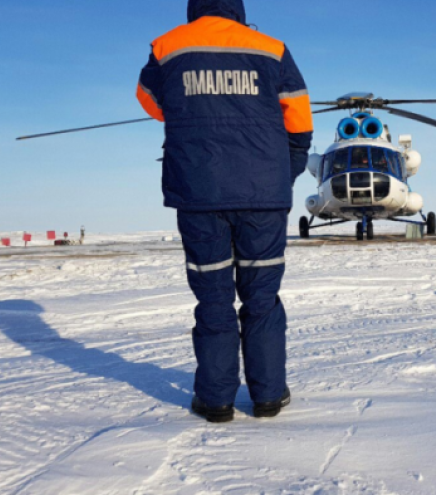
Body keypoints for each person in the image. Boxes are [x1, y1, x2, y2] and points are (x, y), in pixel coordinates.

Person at [137, 0, 313, 423]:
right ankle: (268, 395)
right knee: (262, 297)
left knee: (213, 298)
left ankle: (216, 400)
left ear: (193, 9)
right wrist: (279, 177)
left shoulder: (167, 47)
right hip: (263, 201)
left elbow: (150, 101)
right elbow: (301, 122)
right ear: (238, 9)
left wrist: (188, 116)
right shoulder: (270, 48)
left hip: (200, 196)